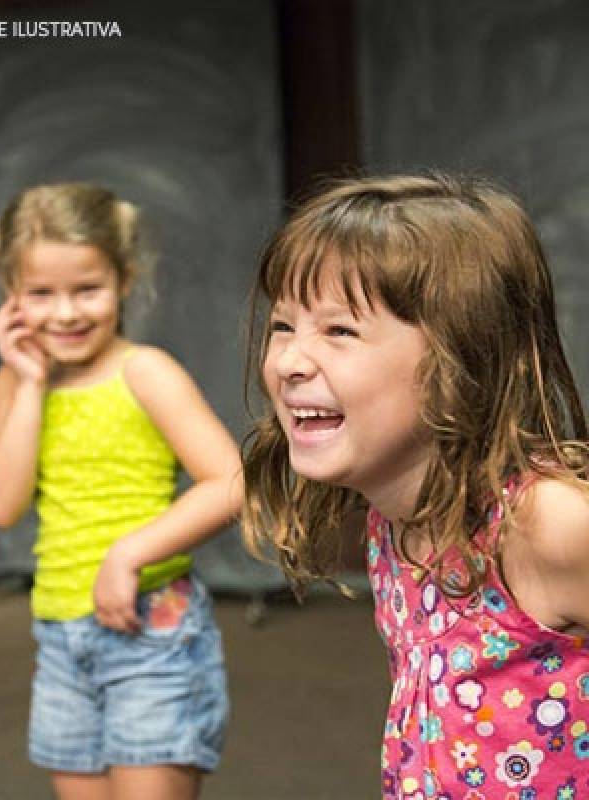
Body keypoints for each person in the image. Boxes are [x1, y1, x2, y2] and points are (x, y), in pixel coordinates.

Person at [242, 173, 589, 798]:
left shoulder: (545, 525)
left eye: (339, 331)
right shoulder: (392, 516)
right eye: (284, 326)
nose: (291, 361)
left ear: (461, 359)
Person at [0, 183, 239, 800]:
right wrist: (30, 384)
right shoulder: (14, 386)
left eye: (85, 289)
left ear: (123, 280)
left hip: (151, 632)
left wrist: (129, 555)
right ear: (11, 296)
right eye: (41, 294)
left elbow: (230, 483)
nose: (65, 313)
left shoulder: (146, 372)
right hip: (61, 637)